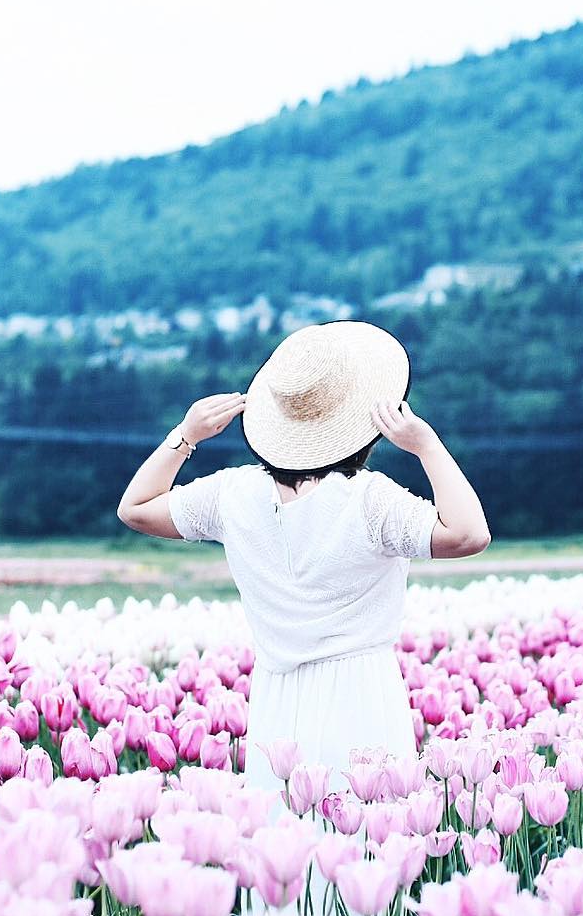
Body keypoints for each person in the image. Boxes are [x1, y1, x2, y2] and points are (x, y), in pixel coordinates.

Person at [116, 319, 490, 807]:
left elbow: (135, 509)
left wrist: (185, 436)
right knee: (366, 853)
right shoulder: (369, 500)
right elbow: (469, 533)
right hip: (363, 695)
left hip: (276, 701)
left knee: (285, 860)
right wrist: (426, 445)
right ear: (362, 425)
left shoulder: (233, 494)